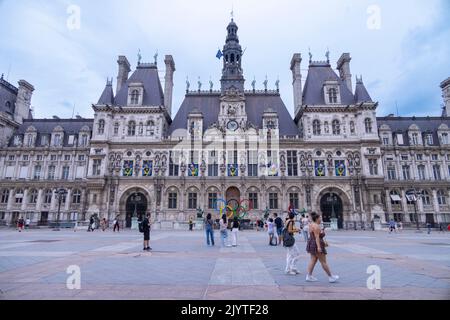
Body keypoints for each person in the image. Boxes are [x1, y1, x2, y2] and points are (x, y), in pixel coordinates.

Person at [306, 212, 339, 283]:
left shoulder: (311, 225)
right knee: (323, 261)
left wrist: (322, 232)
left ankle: (309, 276)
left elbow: (314, 235)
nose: (321, 219)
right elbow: (317, 237)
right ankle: (331, 277)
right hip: (316, 244)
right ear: (317, 218)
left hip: (311, 242)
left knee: (313, 260)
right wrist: (318, 247)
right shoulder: (316, 226)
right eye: (320, 218)